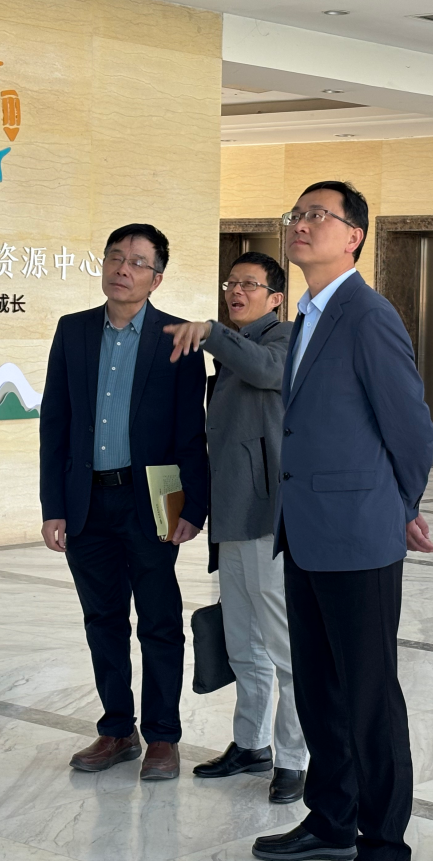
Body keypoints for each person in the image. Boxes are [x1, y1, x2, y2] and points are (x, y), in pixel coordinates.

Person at [250, 182, 433, 861]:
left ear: (354, 235)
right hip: (306, 531)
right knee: (321, 691)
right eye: (295, 214)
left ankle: (384, 840)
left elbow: (410, 427)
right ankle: (330, 822)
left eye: (317, 215)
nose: (300, 224)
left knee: (368, 697)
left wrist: (400, 506)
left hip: (358, 534)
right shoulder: (308, 313)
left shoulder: (367, 314)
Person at [39, 223, 207, 781]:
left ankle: (162, 737)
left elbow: (191, 433)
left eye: (137, 262)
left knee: (159, 622)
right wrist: (53, 505)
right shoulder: (74, 331)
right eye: (115, 257)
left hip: (152, 503)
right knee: (102, 620)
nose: (123, 269)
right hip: (86, 502)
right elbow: (55, 424)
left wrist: (193, 508)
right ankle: (116, 730)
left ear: (156, 279)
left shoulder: (176, 339)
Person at [163, 251, 308, 804]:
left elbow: (268, 371)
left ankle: (293, 759)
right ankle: (250, 744)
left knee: (284, 648)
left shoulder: (285, 338)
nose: (237, 292)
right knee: (243, 643)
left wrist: (212, 333)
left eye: (250, 284)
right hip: (231, 517)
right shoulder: (234, 348)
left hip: (268, 517)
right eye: (231, 283)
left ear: (276, 298)